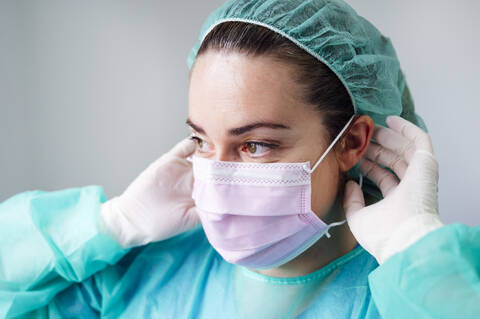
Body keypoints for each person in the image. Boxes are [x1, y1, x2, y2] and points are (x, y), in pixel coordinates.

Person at [1, 0, 479, 318]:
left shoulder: (412, 291)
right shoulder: (142, 278)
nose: (218, 174)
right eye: (203, 141)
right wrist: (109, 225)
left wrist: (417, 254)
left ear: (352, 142)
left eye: (254, 145)